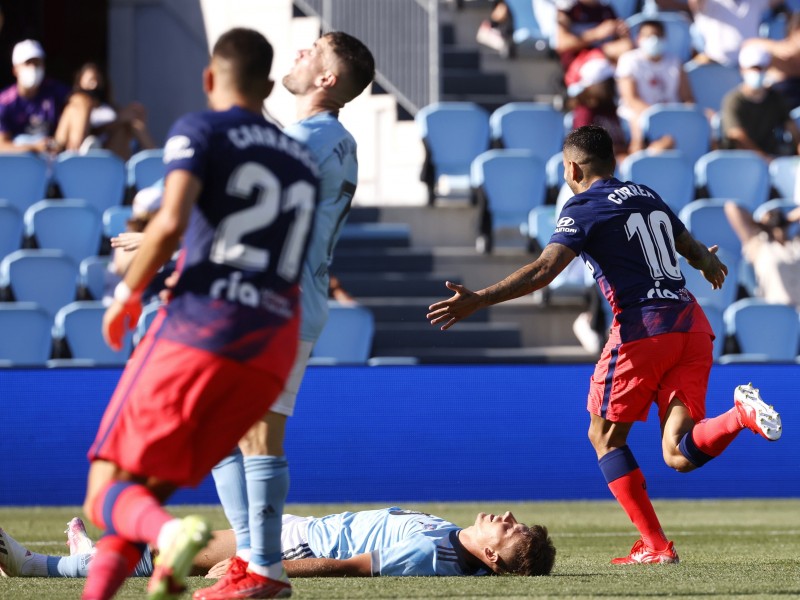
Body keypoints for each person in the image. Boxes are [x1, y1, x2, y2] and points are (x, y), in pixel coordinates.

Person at [427, 125, 783, 564]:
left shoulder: (583, 206)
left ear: (572, 168)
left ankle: (655, 547)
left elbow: (544, 270)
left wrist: (480, 299)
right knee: (677, 454)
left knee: (605, 437)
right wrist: (708, 262)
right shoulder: (645, 194)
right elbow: (688, 244)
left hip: (643, 330)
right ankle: (739, 415)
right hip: (691, 326)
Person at [79, 27, 319, 600]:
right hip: (272, 345)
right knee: (141, 491)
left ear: (210, 79)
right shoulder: (302, 159)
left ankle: (171, 534)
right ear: (267, 85)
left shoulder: (200, 127)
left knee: (104, 490)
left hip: (201, 328)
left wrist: (126, 296)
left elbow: (167, 224)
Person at [196, 31, 375, 600]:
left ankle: (262, 568)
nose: (297, 53)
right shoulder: (334, 139)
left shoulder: (306, 138)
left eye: (311, 52)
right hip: (297, 299)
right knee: (230, 431)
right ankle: (254, 562)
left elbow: (252, 206)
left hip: (277, 301)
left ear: (327, 79)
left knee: (254, 433)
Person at [0, 509, 555, 579]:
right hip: (299, 528)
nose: (505, 517)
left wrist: (254, 568)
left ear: (490, 555)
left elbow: (349, 566)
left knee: (175, 550)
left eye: (509, 530)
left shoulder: (433, 556)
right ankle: (84, 555)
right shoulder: (451, 536)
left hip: (292, 545)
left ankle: (37, 567)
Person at [615, 19, 694, 153]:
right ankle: (638, 156)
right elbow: (631, 99)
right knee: (637, 125)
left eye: (658, 35)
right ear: (638, 38)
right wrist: (657, 116)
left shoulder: (675, 62)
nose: (654, 39)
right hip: (638, 116)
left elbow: (687, 98)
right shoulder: (629, 60)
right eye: (648, 35)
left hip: (671, 117)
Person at [54, 62, 157, 159]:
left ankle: (156, 157)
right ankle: (78, 158)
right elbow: (60, 138)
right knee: (83, 104)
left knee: (131, 119)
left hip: (109, 149)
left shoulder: (110, 109)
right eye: (91, 80)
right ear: (80, 82)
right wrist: (118, 119)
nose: (94, 85)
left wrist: (126, 117)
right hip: (80, 147)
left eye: (98, 80)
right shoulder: (74, 107)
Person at [720, 45, 800, 162]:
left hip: (772, 157)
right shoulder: (733, 100)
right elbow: (737, 136)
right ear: (743, 70)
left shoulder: (775, 98)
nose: (758, 72)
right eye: (753, 68)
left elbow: (791, 127)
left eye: (761, 68)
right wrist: (764, 159)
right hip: (741, 162)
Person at [724, 200, 800, 309]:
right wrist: (761, 224)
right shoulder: (757, 244)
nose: (772, 216)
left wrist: (788, 219)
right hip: (777, 313)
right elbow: (732, 207)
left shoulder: (796, 242)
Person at [0, 39, 69, 153]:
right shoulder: (4, 102)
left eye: (37, 63)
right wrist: (34, 148)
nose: (33, 68)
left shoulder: (54, 90)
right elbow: (1, 146)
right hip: (17, 164)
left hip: (52, 159)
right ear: (15, 70)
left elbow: (80, 99)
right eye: (28, 63)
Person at [689, 0, 782, 68]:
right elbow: (695, 3)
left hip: (749, 67)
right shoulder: (709, 2)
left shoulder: (754, 2)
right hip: (714, 65)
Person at [739, 14, 800, 114]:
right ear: (794, 31)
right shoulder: (776, 51)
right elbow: (746, 45)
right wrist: (774, 47)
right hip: (776, 109)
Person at [555, 0, 633, 74]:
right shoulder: (568, 10)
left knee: (630, 55)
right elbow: (562, 44)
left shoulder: (606, 9)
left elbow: (622, 42)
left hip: (607, 57)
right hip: (579, 65)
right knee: (598, 69)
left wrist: (623, 33)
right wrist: (596, 33)